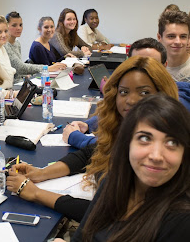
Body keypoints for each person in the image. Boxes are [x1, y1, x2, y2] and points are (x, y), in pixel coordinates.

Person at [6, 56, 179, 223]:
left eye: (144, 92)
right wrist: (41, 173)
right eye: (124, 92)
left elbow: (106, 214)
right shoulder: (124, 130)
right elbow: (91, 151)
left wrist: (35, 193)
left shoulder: (160, 154)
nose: (131, 100)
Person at [71, 94, 190, 242]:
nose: (156, 156)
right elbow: (82, 237)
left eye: (172, 143)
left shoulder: (182, 221)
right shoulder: (114, 180)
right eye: (145, 139)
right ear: (127, 143)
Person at [157, 10, 190, 82]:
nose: (178, 42)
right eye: (171, 36)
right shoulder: (153, 68)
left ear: (188, 38)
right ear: (159, 37)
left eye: (183, 36)